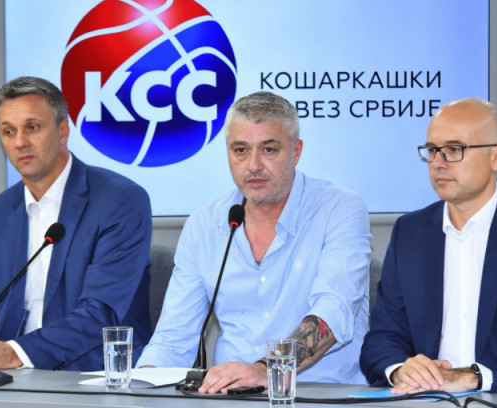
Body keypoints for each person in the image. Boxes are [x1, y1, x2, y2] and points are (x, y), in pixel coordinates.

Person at [136, 91, 372, 392]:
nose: (254, 165)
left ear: (296, 152)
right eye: (241, 150)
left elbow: (332, 313)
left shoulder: (339, 209)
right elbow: (173, 338)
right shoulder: (205, 223)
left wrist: (265, 370)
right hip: (231, 397)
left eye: (269, 150)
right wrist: (138, 386)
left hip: (322, 394)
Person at [0, 76, 152, 371]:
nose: (20, 142)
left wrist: (15, 353)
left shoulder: (120, 200)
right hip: (7, 376)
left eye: (32, 127)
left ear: (63, 130)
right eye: (8, 131)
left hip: (93, 373)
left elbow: (102, 312)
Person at [360, 97, 497, 393]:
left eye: (454, 149)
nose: (438, 162)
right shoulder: (410, 233)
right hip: (423, 399)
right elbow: (382, 339)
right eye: (432, 150)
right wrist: (401, 369)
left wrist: (474, 376)